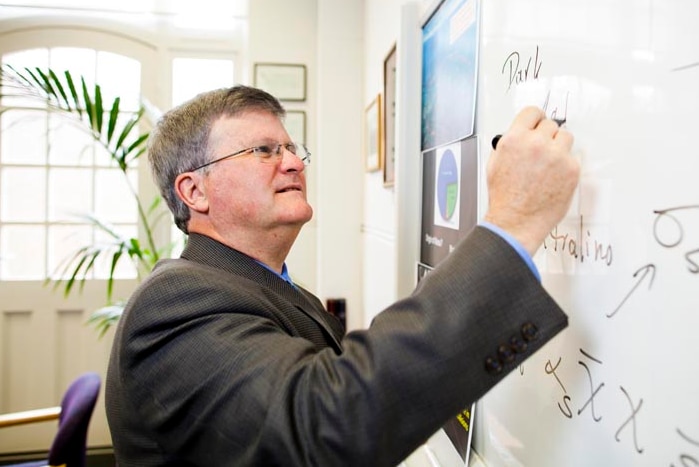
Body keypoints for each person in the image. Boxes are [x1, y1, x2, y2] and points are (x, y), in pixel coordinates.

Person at [106, 85, 580, 466]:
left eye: (291, 148)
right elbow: (325, 425)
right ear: (195, 191)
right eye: (263, 151)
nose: (293, 162)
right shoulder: (173, 304)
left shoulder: (266, 287)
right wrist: (514, 221)